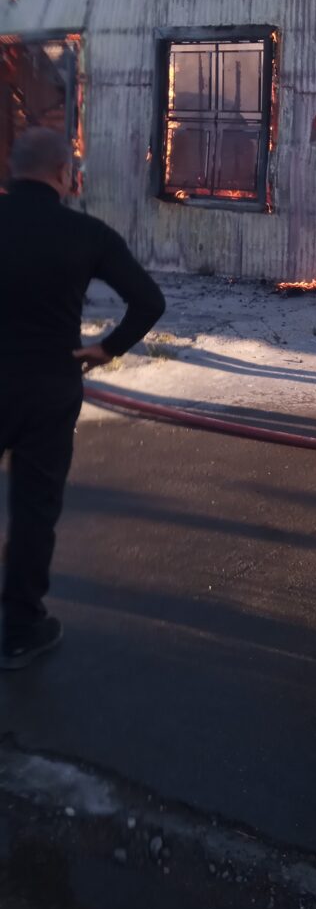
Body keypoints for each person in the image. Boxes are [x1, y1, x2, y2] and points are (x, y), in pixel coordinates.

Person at [0, 128, 166, 669]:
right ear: (65, 175)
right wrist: (105, 349)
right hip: (49, 386)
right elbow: (148, 300)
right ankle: (22, 630)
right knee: (34, 509)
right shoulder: (86, 234)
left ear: (11, 169)